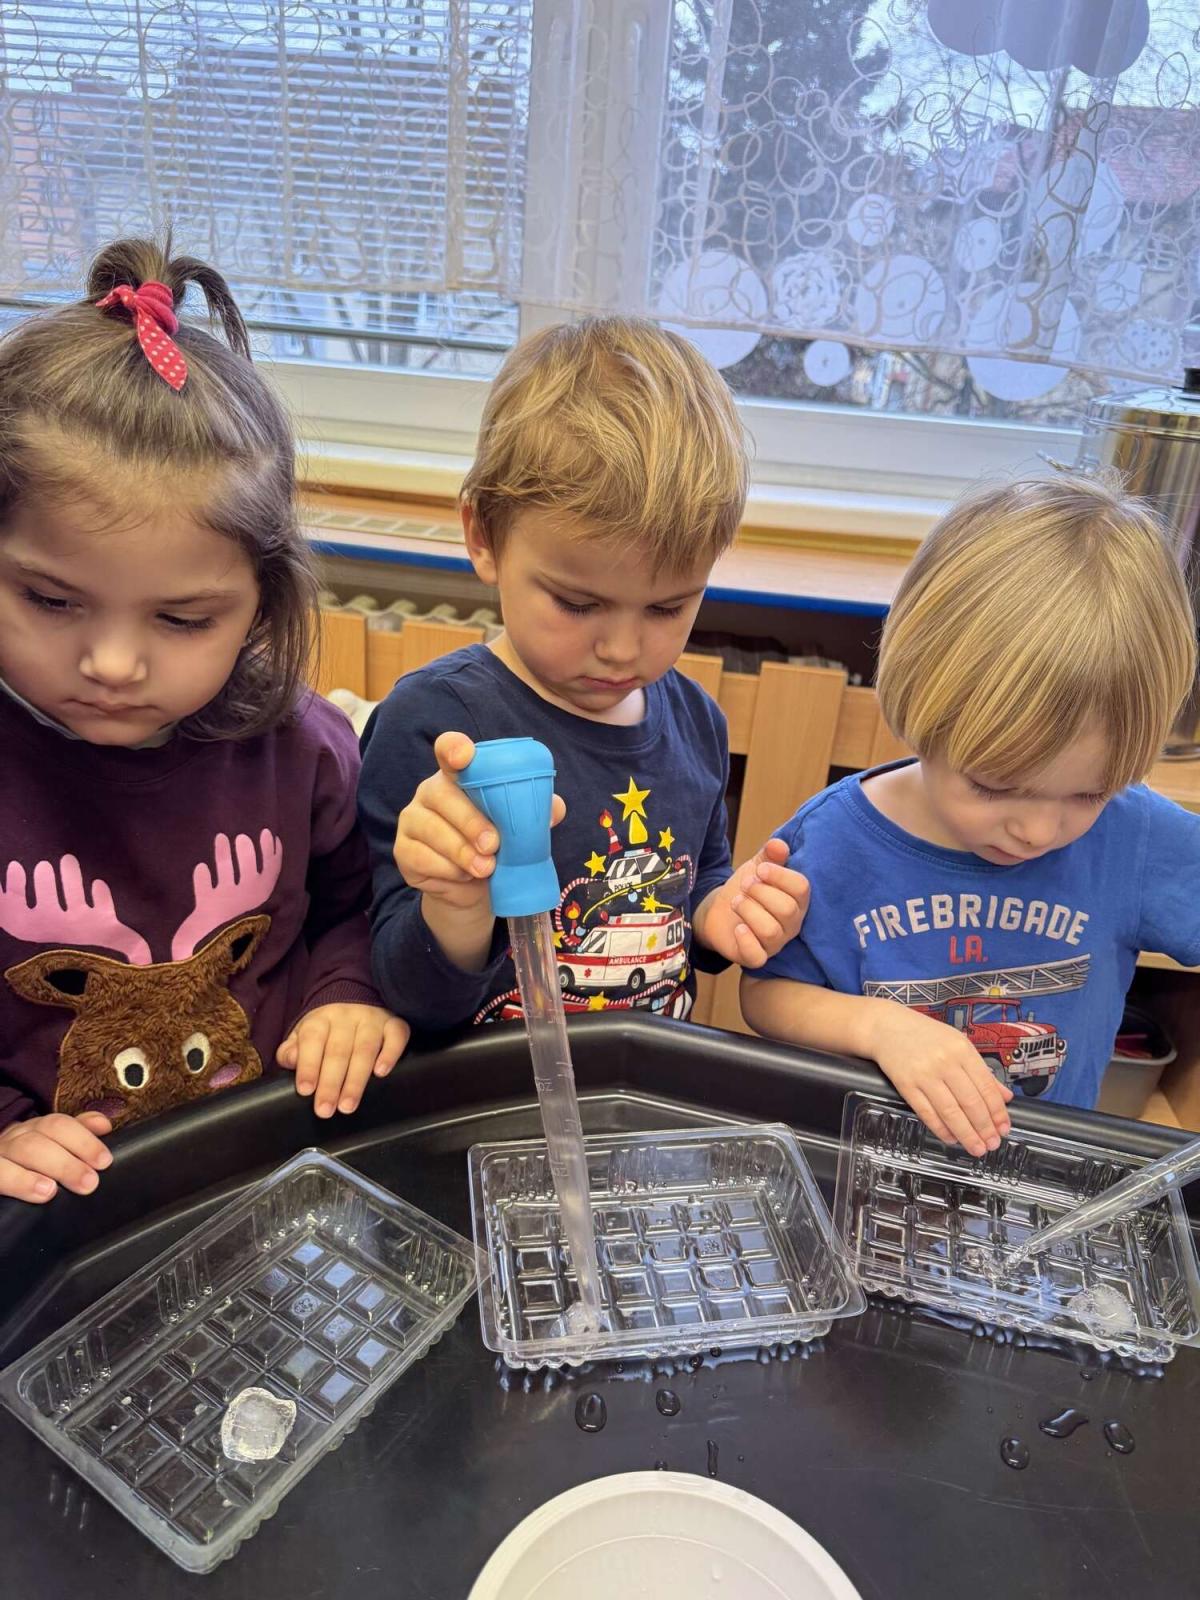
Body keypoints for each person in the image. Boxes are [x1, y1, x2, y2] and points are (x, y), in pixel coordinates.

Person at [0, 238, 409, 1204]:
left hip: (274, 1179)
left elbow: (358, 907)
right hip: (63, 1221)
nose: (112, 664)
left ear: (263, 605)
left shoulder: (302, 749)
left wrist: (348, 996)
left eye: (181, 620)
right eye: (51, 601)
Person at [358, 317, 809, 1031]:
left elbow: (696, 887)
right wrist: (455, 907)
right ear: (483, 537)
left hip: (638, 1086)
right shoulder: (434, 725)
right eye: (577, 603)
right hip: (490, 1090)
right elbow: (405, 995)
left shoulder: (697, 724)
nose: (624, 650)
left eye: (667, 607)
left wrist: (726, 910)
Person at [741, 472, 1199, 1157]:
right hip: (859, 1166)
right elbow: (765, 996)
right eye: (993, 785)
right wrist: (879, 1028)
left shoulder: (1133, 837)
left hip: (1041, 1177)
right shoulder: (832, 840)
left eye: (1089, 794)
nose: (1037, 831)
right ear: (922, 709)